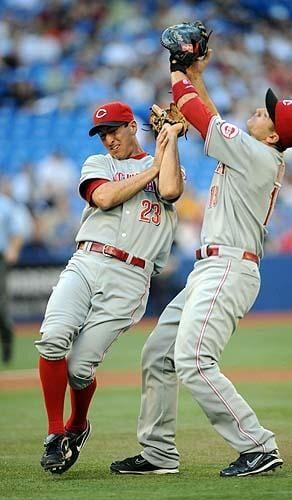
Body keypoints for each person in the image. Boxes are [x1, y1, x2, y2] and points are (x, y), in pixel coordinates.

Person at [110, 50, 292, 477]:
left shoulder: (257, 156)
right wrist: (196, 76)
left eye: (267, 113)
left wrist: (179, 71)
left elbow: (202, 117)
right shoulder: (250, 151)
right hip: (212, 268)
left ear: (272, 137)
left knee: (195, 360)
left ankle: (257, 444)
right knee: (158, 353)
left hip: (229, 267)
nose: (259, 110)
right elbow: (211, 116)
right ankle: (159, 453)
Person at [35, 100, 185, 474]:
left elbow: (168, 191)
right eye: (102, 133)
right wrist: (151, 166)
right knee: (52, 338)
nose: (108, 139)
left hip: (131, 276)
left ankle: (79, 425)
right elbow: (102, 197)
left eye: (114, 130)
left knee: (80, 369)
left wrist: (169, 138)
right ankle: (56, 434)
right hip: (87, 260)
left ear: (133, 127)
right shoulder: (98, 164)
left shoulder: (164, 164)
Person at [0, 189, 29, 364]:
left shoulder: (4, 204)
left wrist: (14, 249)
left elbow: (18, 231)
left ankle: (7, 343)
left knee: (0, 305)